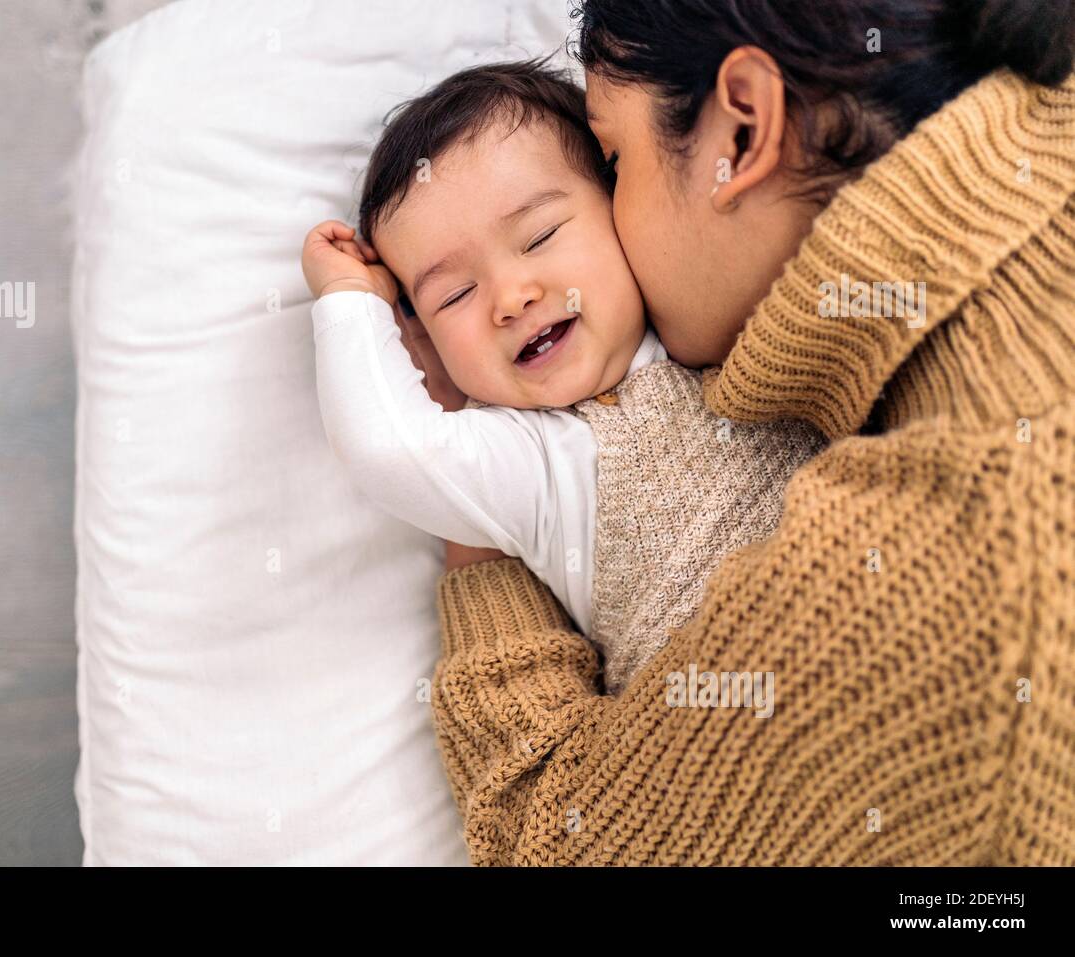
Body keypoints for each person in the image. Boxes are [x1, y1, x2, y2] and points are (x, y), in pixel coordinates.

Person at [419, 0, 1075, 864]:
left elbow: (546, 833)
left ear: (743, 130)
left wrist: (475, 506)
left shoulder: (957, 572)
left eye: (614, 164)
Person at [300, 60, 821, 691]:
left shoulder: (710, 318)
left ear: (619, 202)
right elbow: (389, 448)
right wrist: (353, 298)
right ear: (424, 339)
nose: (511, 298)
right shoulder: (528, 458)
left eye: (540, 235)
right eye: (456, 295)